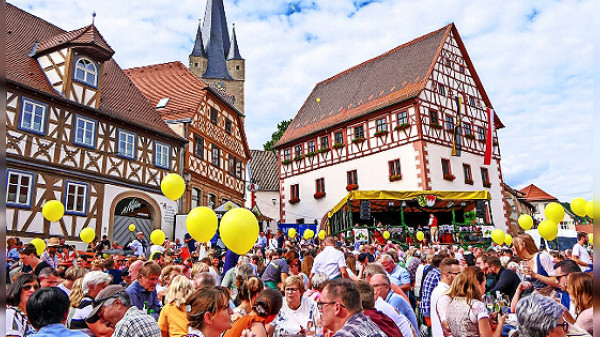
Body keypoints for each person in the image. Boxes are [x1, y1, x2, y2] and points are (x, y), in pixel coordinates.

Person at [443, 266, 507, 337]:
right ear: (478, 284)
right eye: (484, 285)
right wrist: (501, 323)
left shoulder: (453, 302)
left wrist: (487, 321)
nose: (485, 288)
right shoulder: (477, 306)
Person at [318, 278, 386, 337]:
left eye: (321, 304)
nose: (320, 310)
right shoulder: (370, 324)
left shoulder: (344, 334)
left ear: (337, 308)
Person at [86, 285, 161, 337]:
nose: (101, 321)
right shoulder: (148, 318)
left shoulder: (126, 324)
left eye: (101, 314)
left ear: (117, 303)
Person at [68, 271, 113, 337]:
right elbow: (103, 333)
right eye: (103, 287)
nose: (106, 291)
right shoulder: (88, 305)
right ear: (91, 287)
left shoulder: (87, 303)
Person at [430, 258, 460, 337]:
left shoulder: (442, 290)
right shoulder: (443, 294)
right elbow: (447, 325)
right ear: (447, 275)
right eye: (458, 274)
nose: (460, 277)